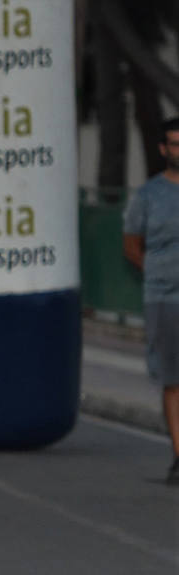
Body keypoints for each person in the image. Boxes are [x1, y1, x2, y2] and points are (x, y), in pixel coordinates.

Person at [122, 116, 179, 485]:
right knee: (173, 380)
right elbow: (131, 246)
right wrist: (158, 273)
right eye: (174, 143)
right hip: (164, 298)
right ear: (163, 149)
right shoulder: (147, 196)